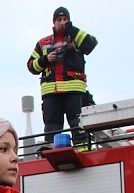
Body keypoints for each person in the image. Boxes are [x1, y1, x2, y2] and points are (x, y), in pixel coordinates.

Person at [27, 6, 98, 144]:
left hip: (74, 90)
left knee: (77, 123)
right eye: (59, 19)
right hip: (51, 93)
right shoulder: (43, 43)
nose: (62, 22)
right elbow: (31, 66)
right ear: (53, 22)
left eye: (65, 19)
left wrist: (72, 30)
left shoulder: (76, 38)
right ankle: (51, 151)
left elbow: (90, 44)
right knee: (52, 126)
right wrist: (46, 59)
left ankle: (82, 150)